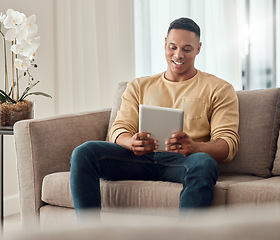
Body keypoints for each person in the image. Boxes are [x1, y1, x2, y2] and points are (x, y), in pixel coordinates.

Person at [70, 17, 239, 220]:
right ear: (164, 44)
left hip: (183, 162)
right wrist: (130, 142)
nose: (178, 55)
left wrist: (194, 147)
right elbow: (119, 129)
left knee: (204, 163)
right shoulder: (138, 86)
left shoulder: (219, 89)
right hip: (137, 158)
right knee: (84, 152)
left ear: (198, 48)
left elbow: (227, 145)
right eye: (173, 47)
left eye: (187, 49)